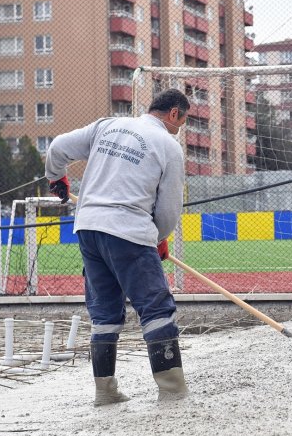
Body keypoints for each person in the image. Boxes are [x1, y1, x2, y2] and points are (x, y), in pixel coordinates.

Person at [45, 88, 190, 405]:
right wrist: (158, 239)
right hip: (128, 229)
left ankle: (105, 391)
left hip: (88, 228)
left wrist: (56, 179)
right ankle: (172, 389)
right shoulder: (169, 146)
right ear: (175, 114)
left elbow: (56, 148)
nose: (179, 128)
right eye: (182, 121)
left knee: (105, 311)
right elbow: (167, 212)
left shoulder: (106, 125)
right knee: (155, 307)